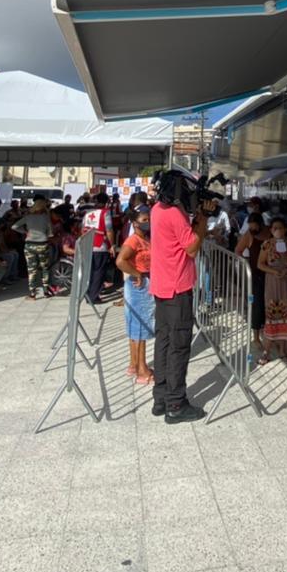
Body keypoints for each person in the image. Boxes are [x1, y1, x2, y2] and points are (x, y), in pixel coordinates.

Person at [150, 171, 208, 423]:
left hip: (162, 286)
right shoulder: (175, 214)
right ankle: (176, 403)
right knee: (179, 346)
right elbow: (192, 247)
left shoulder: (157, 210)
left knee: (163, 343)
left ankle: (161, 398)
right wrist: (203, 220)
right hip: (177, 289)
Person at [116, 206, 155, 384]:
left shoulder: (145, 238)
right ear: (135, 223)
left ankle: (134, 364)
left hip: (141, 284)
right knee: (140, 328)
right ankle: (142, 370)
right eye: (144, 220)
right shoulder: (133, 241)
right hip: (139, 286)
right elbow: (120, 261)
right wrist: (137, 274)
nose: (148, 223)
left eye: (149, 219)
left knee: (135, 327)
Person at [257, 216, 287, 364]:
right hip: (273, 283)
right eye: (274, 228)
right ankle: (266, 351)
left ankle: (283, 350)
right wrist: (274, 271)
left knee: (286, 316)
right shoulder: (267, 244)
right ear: (270, 230)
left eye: (279, 228)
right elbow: (260, 264)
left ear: (285, 229)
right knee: (272, 316)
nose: (277, 230)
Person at [234, 211, 268, 348]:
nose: (252, 229)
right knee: (257, 305)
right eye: (250, 226)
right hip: (256, 274)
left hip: (270, 274)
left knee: (269, 304)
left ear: (260, 224)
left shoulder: (269, 232)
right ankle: (256, 337)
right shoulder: (249, 235)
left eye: (254, 226)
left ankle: (269, 334)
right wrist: (245, 262)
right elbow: (238, 250)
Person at [13, 195, 53, 300]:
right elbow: (50, 233)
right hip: (43, 244)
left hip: (30, 244)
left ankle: (32, 294)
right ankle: (46, 291)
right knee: (45, 268)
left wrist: (25, 232)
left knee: (31, 270)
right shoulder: (46, 217)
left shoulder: (28, 217)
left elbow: (14, 226)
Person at [81, 192, 116, 304]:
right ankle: (94, 296)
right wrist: (112, 245)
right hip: (100, 245)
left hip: (87, 245)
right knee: (99, 272)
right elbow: (109, 230)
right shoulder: (105, 213)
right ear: (106, 202)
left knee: (89, 271)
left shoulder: (88, 213)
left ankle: (87, 294)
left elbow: (82, 228)